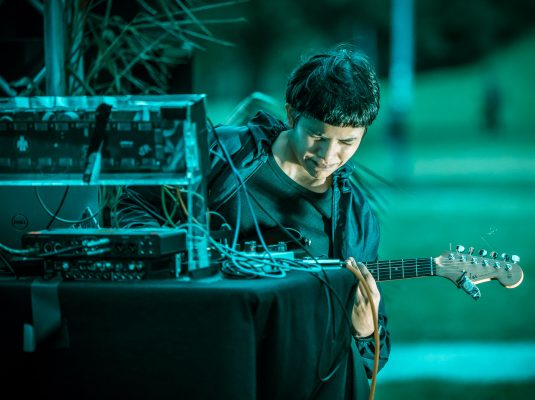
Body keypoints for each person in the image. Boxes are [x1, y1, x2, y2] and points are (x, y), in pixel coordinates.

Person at [117, 45, 390, 397]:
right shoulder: (222, 152)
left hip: (293, 379)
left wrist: (367, 330)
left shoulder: (355, 219)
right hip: (198, 357)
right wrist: (177, 259)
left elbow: (367, 367)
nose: (329, 155)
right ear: (292, 115)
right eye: (317, 136)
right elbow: (136, 203)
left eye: (347, 142)